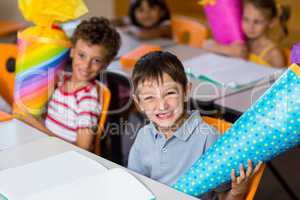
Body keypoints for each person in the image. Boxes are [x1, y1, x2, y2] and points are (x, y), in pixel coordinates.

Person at [127, 51, 263, 200]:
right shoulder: (144, 135)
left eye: (170, 93)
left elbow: (223, 197)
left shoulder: (208, 139)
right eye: (149, 97)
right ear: (138, 102)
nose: (161, 105)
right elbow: (134, 186)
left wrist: (237, 192)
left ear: (186, 91)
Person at [19, 17, 121, 151]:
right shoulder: (61, 79)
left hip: (65, 157)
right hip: (46, 148)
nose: (86, 65)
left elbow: (83, 148)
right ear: (72, 50)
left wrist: (37, 126)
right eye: (82, 55)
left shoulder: (87, 99)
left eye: (96, 60)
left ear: (105, 64)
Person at [204, 0, 290, 68]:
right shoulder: (240, 41)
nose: (250, 27)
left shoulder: (274, 54)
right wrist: (229, 50)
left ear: (271, 22)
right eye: (246, 19)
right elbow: (206, 44)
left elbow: (279, 85)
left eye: (257, 22)